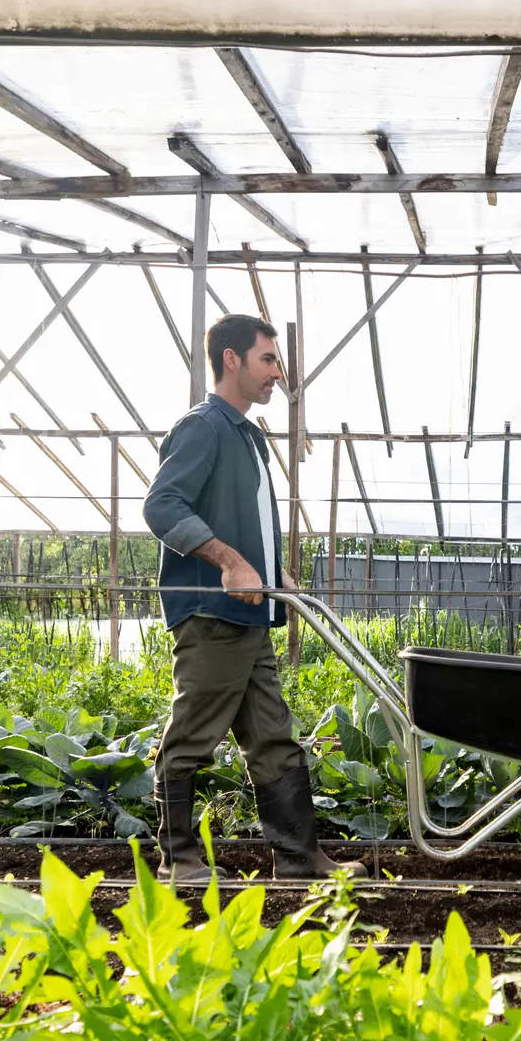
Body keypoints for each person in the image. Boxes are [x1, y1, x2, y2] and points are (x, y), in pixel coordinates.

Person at [142, 313, 365, 884]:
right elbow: (163, 506)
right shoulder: (203, 428)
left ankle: (298, 859)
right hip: (213, 615)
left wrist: (271, 570)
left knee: (272, 736)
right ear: (232, 359)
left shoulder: (246, 433)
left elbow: (238, 519)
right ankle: (180, 860)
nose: (277, 374)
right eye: (268, 360)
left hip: (250, 615)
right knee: (193, 732)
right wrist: (232, 563)